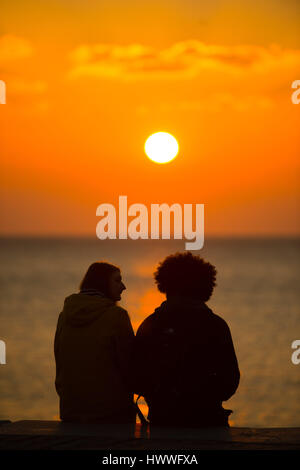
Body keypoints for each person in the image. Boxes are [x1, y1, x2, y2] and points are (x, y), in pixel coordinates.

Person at [134, 252, 240, 428]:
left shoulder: (150, 324)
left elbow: (136, 379)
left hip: (163, 421)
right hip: (209, 421)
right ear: (206, 285)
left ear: (165, 284)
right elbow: (230, 381)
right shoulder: (216, 325)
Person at [54, 262, 136, 424]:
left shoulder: (64, 315)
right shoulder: (117, 316)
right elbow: (130, 365)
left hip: (71, 410)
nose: (123, 286)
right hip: (111, 413)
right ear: (102, 283)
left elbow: (59, 360)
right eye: (117, 281)